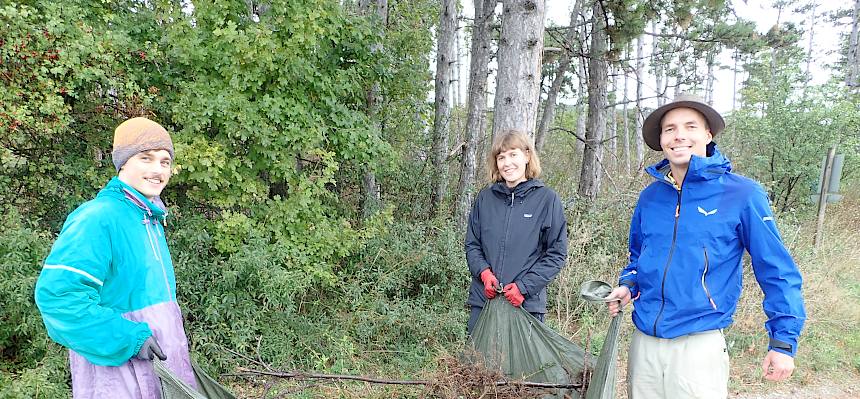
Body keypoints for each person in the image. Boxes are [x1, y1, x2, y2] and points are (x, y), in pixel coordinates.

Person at [605, 93, 806, 398]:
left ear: (708, 135)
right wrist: (628, 285)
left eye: (690, 126)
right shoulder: (650, 198)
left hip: (698, 345)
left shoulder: (742, 195)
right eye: (670, 129)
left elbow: (777, 271)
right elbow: (638, 257)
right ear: (661, 139)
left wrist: (783, 342)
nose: (679, 135)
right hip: (644, 343)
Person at [35, 117, 197, 398]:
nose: (157, 170)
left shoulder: (149, 219)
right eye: (146, 158)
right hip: (119, 377)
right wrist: (128, 338)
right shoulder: (98, 217)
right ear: (123, 163)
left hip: (162, 372)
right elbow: (58, 298)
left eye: (164, 161)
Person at [465, 130, 568, 334]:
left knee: (523, 367)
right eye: (501, 157)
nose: (507, 163)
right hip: (484, 303)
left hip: (526, 306)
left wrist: (524, 287)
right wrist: (484, 273)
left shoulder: (547, 200)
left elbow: (556, 254)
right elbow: (472, 244)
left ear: (527, 156)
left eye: (513, 154)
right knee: (479, 365)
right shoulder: (485, 199)